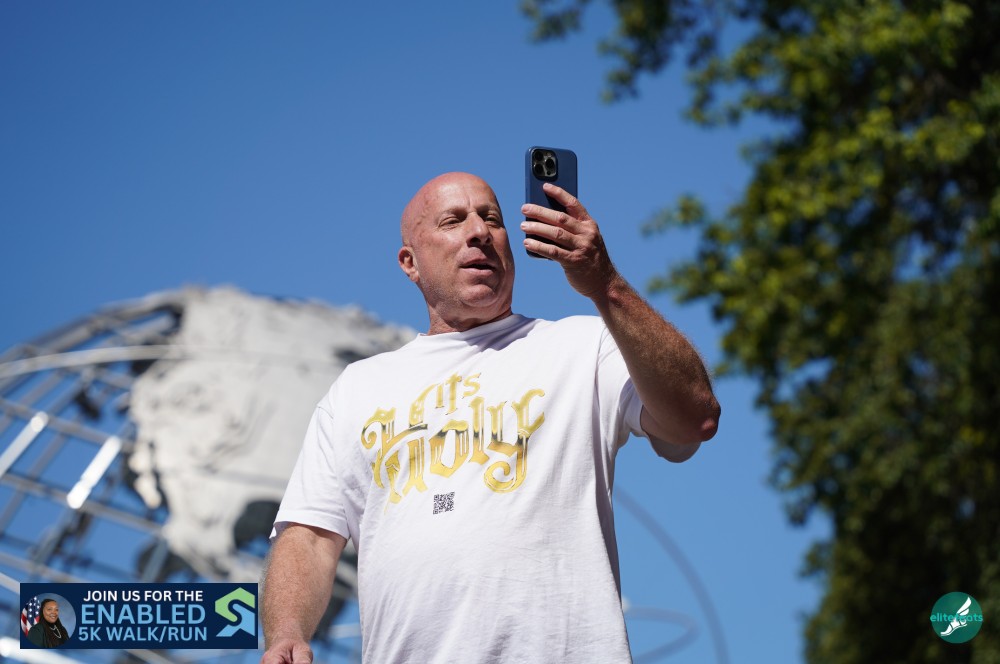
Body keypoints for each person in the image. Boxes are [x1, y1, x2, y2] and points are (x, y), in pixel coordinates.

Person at [261, 172, 721, 663]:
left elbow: (694, 418)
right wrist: (286, 633)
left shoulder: (583, 346)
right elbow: (309, 536)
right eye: (453, 221)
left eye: (492, 219)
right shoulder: (357, 388)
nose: (479, 231)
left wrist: (606, 285)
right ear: (409, 262)